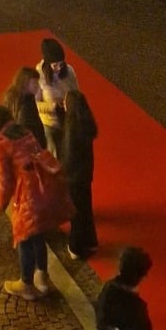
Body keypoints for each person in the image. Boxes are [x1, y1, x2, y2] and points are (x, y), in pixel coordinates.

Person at [0, 105, 73, 301]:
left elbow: (4, 181)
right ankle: (41, 276)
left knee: (24, 237)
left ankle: (26, 283)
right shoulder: (24, 131)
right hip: (43, 189)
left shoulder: (1, 146)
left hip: (26, 195)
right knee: (37, 234)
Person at [60, 89, 98, 259]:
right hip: (85, 174)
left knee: (75, 211)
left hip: (73, 176)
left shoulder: (71, 127)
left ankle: (76, 246)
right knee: (86, 208)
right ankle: (90, 241)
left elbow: (68, 155)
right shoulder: (86, 124)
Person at [35, 37, 79, 155]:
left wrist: (70, 102)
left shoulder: (69, 71)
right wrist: (52, 107)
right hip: (51, 124)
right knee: (54, 157)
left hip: (67, 121)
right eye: (55, 65)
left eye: (61, 64)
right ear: (47, 63)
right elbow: (35, 105)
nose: (59, 68)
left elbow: (77, 93)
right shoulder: (39, 76)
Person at [2, 66, 46, 148]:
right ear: (24, 83)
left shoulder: (15, 96)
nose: (37, 86)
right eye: (34, 83)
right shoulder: (26, 106)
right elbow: (29, 129)